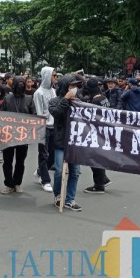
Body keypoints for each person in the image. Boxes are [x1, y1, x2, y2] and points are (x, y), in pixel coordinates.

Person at [48, 75, 82, 211]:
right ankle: (58, 195)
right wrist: (66, 100)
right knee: (59, 171)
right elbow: (56, 113)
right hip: (60, 142)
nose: (74, 89)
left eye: (75, 86)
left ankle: (70, 199)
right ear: (64, 86)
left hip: (75, 142)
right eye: (71, 86)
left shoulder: (79, 101)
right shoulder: (54, 101)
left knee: (75, 172)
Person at [0, 76, 36, 194]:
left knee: (20, 161)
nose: (20, 86)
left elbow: (33, 115)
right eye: (18, 84)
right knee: (7, 161)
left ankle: (17, 183)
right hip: (8, 135)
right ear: (14, 85)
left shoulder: (29, 99)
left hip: (23, 135)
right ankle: (9, 184)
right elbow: (1, 115)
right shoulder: (7, 99)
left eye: (22, 84)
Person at [84, 77, 112, 194]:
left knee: (93, 157)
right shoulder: (104, 98)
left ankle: (99, 184)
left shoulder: (94, 102)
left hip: (96, 132)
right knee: (98, 156)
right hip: (104, 131)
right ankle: (103, 179)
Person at [33, 66, 56, 192]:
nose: (55, 78)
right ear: (47, 76)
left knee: (52, 155)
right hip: (43, 126)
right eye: (54, 75)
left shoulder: (53, 91)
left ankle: (39, 171)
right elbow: (39, 112)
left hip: (54, 126)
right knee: (43, 154)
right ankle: (45, 180)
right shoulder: (38, 93)